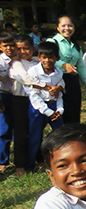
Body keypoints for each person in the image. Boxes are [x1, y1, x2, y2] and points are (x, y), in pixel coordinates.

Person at [24, 42, 65, 168]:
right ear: (39, 57)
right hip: (38, 109)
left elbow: (59, 95)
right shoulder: (33, 72)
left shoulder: (58, 73)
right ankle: (30, 165)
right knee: (35, 137)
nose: (47, 60)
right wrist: (48, 111)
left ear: (57, 58)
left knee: (61, 137)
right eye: (44, 57)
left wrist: (59, 109)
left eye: (51, 57)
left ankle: (61, 162)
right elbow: (33, 95)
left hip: (54, 108)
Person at [47, 16, 86, 124]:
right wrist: (64, 65)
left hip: (73, 82)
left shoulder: (76, 46)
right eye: (63, 25)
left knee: (74, 113)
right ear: (57, 28)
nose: (67, 28)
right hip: (57, 80)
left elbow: (80, 66)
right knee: (60, 114)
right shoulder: (52, 42)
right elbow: (49, 59)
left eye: (70, 25)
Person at [8, 35, 37, 175]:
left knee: (36, 131)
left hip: (36, 99)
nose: (23, 52)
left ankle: (38, 159)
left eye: (26, 48)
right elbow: (26, 79)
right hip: (20, 100)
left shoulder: (37, 62)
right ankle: (20, 165)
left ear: (33, 48)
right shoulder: (16, 63)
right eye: (19, 49)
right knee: (20, 132)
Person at [0, 31, 16, 173]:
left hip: (19, 97)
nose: (9, 48)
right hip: (4, 95)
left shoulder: (20, 59)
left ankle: (20, 159)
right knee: (4, 129)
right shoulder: (0, 61)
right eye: (6, 46)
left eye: (12, 45)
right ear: (1, 47)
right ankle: (3, 161)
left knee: (20, 129)